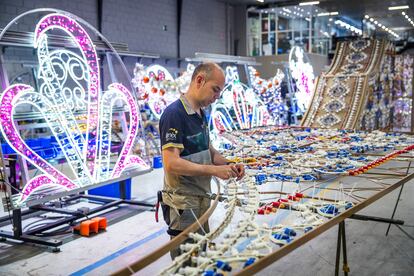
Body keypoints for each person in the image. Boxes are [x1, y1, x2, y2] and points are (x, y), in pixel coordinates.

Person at [159, 62, 245, 258]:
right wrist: (214, 171)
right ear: (199, 80)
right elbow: (171, 163)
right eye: (215, 90)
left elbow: (208, 149)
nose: (216, 97)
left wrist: (228, 164)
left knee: (199, 253)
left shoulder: (201, 113)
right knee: (186, 260)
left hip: (201, 198)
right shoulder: (174, 115)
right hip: (183, 203)